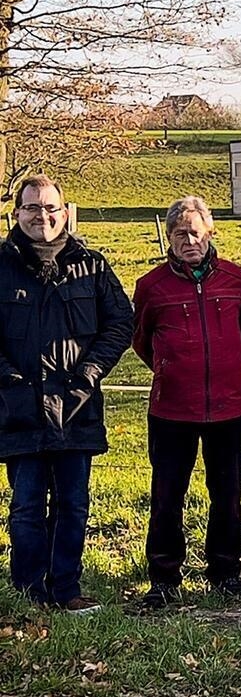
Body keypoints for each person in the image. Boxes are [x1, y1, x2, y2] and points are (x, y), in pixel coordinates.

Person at [0, 174, 133, 613]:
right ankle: (27, 592)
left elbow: (120, 324)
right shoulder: (1, 267)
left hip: (77, 405)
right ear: (16, 213)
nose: (43, 216)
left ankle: (66, 589)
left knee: (73, 505)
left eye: (51, 207)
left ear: (65, 211)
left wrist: (91, 372)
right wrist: (9, 379)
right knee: (25, 507)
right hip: (18, 407)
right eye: (33, 208)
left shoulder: (92, 266)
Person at [133, 196, 241, 608]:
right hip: (172, 411)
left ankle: (226, 571)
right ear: (169, 237)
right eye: (181, 234)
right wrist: (168, 368)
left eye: (196, 233)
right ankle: (164, 575)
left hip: (230, 408)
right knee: (167, 495)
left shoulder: (237, 280)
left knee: (227, 494)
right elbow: (142, 341)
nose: (189, 241)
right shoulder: (151, 285)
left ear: (210, 233)